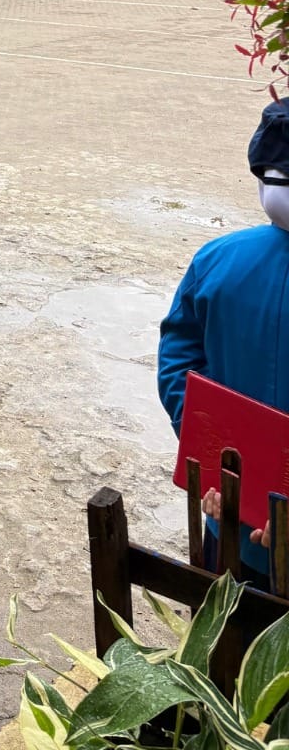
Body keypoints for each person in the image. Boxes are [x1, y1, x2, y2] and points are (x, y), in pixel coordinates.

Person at [157, 97, 289, 589]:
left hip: (229, 512)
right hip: (238, 508)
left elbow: (179, 363)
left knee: (231, 648)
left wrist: (211, 460)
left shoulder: (218, 259)